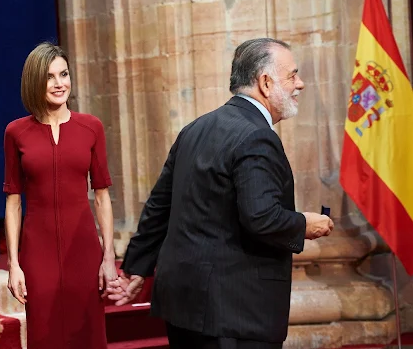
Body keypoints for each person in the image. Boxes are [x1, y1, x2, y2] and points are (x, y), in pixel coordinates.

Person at [107, 38, 334, 349]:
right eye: (292, 75)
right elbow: (261, 218)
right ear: (265, 83)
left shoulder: (195, 129)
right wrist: (304, 225)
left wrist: (137, 266)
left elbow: (159, 205)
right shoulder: (257, 136)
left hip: (184, 306)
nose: (301, 84)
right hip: (235, 311)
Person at [3, 42, 117, 348]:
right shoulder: (16, 132)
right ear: (35, 82)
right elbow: (13, 202)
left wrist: (108, 257)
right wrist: (13, 264)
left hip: (83, 247)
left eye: (64, 74)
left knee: (88, 333)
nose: (59, 83)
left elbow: (102, 196)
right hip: (37, 252)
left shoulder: (91, 127)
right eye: (50, 76)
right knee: (45, 334)